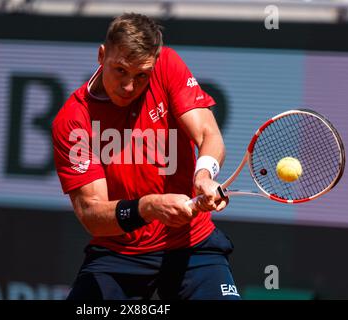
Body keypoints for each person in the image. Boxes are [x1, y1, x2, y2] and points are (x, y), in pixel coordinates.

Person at [52, 12, 240, 300]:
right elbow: (92, 214)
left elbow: (207, 134)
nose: (129, 86)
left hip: (192, 246)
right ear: (102, 56)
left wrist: (203, 175)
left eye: (142, 75)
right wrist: (148, 207)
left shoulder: (167, 64)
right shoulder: (73, 120)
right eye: (120, 71)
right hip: (118, 256)